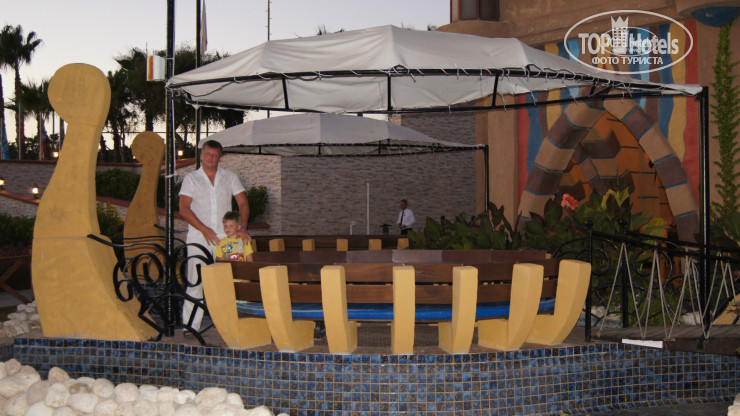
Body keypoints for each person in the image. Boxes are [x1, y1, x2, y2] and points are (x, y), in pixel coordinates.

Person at [179, 140, 250, 333]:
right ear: (201, 155)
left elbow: (243, 203)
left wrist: (243, 227)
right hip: (198, 237)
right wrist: (204, 229)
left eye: (214, 154)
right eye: (207, 153)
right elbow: (184, 209)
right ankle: (190, 327)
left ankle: (230, 326)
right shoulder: (191, 179)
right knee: (195, 281)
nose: (210, 157)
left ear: (220, 157)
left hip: (228, 238)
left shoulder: (230, 176)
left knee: (230, 281)